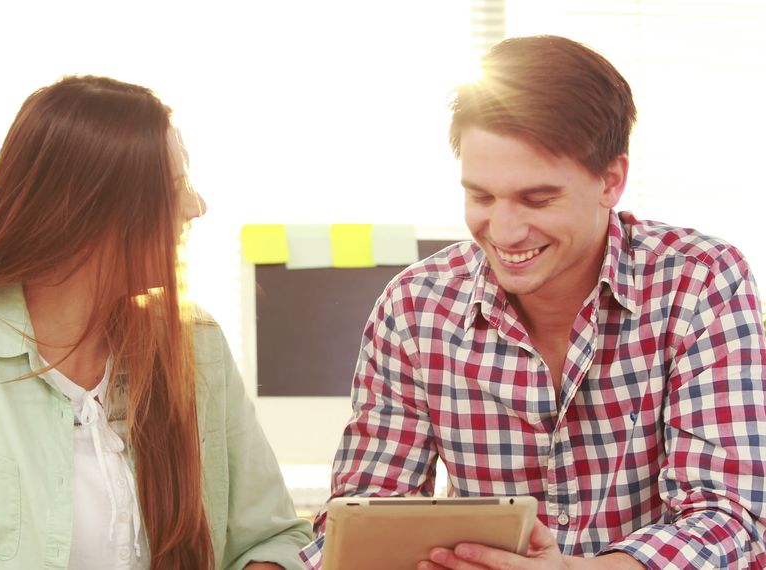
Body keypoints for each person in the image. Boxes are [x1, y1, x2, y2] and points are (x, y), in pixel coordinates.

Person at [0, 75, 311, 570]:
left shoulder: (194, 343)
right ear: (95, 209)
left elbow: (277, 537)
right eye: (174, 187)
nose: (196, 207)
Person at [301, 35, 766, 569]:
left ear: (611, 181)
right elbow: (362, 516)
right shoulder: (414, 307)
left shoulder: (699, 281)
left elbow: (730, 517)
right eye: (480, 196)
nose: (503, 231)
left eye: (537, 199)